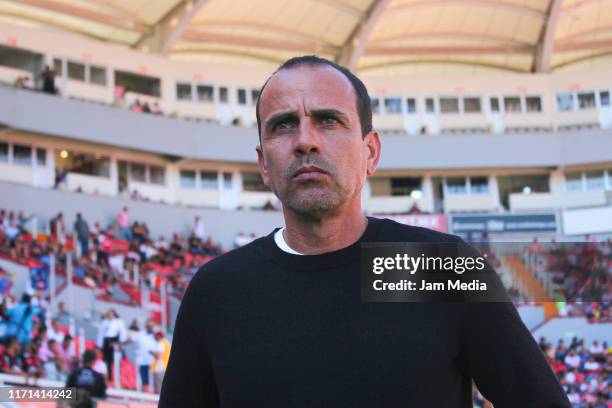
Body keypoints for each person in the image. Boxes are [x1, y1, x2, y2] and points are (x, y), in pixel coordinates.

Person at [159, 56, 570, 407]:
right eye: (283, 125)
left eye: (328, 121)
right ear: (263, 163)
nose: (305, 141)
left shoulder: (439, 269)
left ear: (370, 151)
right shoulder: (217, 292)